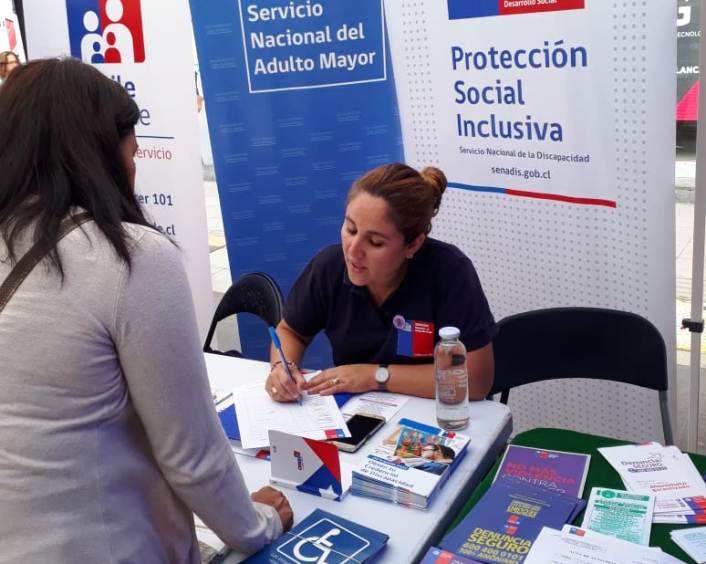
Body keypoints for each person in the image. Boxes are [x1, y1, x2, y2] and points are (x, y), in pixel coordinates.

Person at [0, 58, 292, 563]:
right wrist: (256, 522)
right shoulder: (127, 257)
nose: (135, 169)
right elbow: (192, 459)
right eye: (133, 152)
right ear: (99, 155)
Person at [266, 163, 496, 402]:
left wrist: (374, 375)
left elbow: (476, 380)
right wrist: (282, 367)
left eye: (375, 242)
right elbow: (291, 331)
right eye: (351, 229)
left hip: (436, 415)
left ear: (413, 245)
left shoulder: (450, 271)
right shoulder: (329, 268)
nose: (353, 252)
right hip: (355, 415)